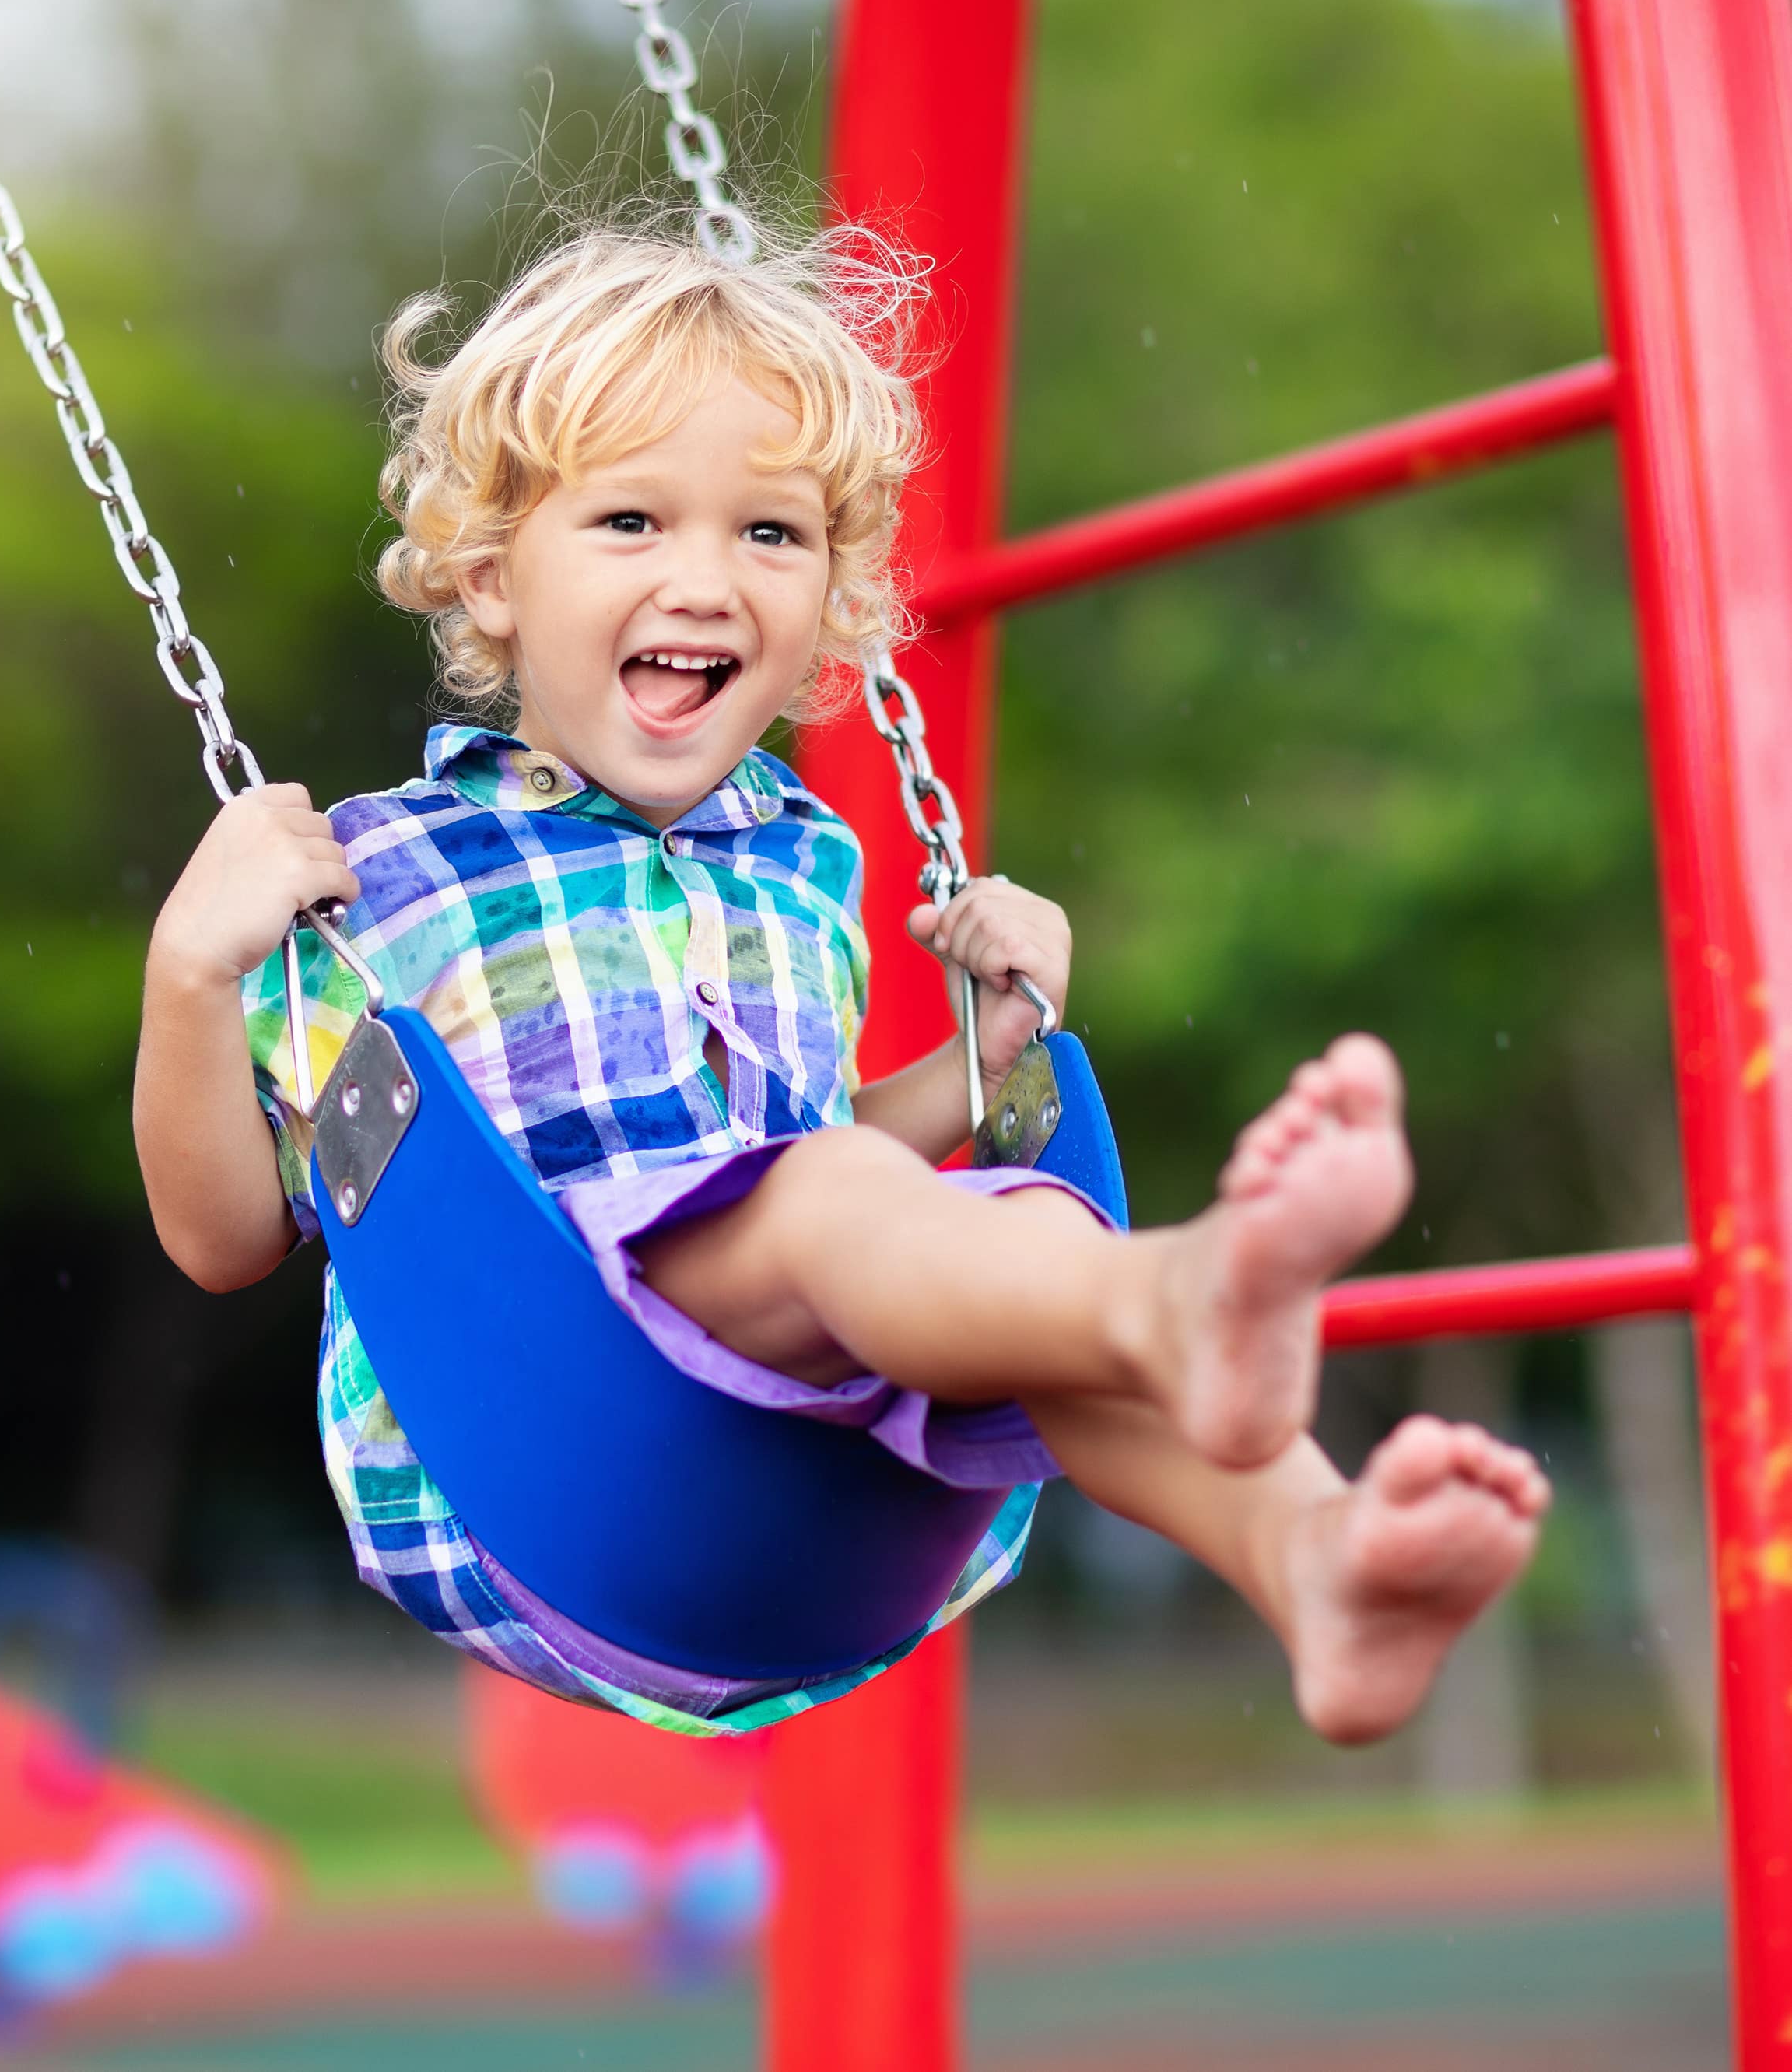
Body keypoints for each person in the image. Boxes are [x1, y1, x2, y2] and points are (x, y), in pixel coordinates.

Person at [132, 221, 1548, 1738]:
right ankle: (1172, 1297)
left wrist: (980, 1052)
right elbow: (226, 1237)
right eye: (630, 521)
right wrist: (190, 976)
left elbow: (821, 1166)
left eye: (769, 534)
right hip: (548, 1450)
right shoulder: (378, 877)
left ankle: (1315, 1562)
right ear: (488, 576)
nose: (707, 580)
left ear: (833, 589)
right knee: (902, 1224)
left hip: (827, 1481)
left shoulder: (804, 864)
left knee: (1003, 1246)